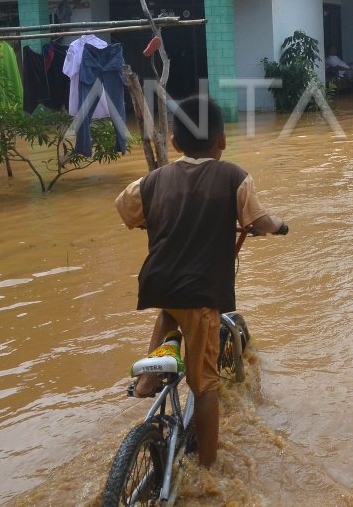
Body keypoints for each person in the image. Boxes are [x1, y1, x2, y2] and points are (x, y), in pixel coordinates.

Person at [114, 94, 287, 469]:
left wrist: (152, 219)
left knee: (170, 312)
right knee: (204, 385)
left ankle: (147, 378)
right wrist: (280, 225)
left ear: (175, 144)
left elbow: (124, 207)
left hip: (158, 282)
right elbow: (259, 221)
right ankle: (208, 467)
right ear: (222, 141)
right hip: (201, 292)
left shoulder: (155, 180)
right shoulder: (234, 177)